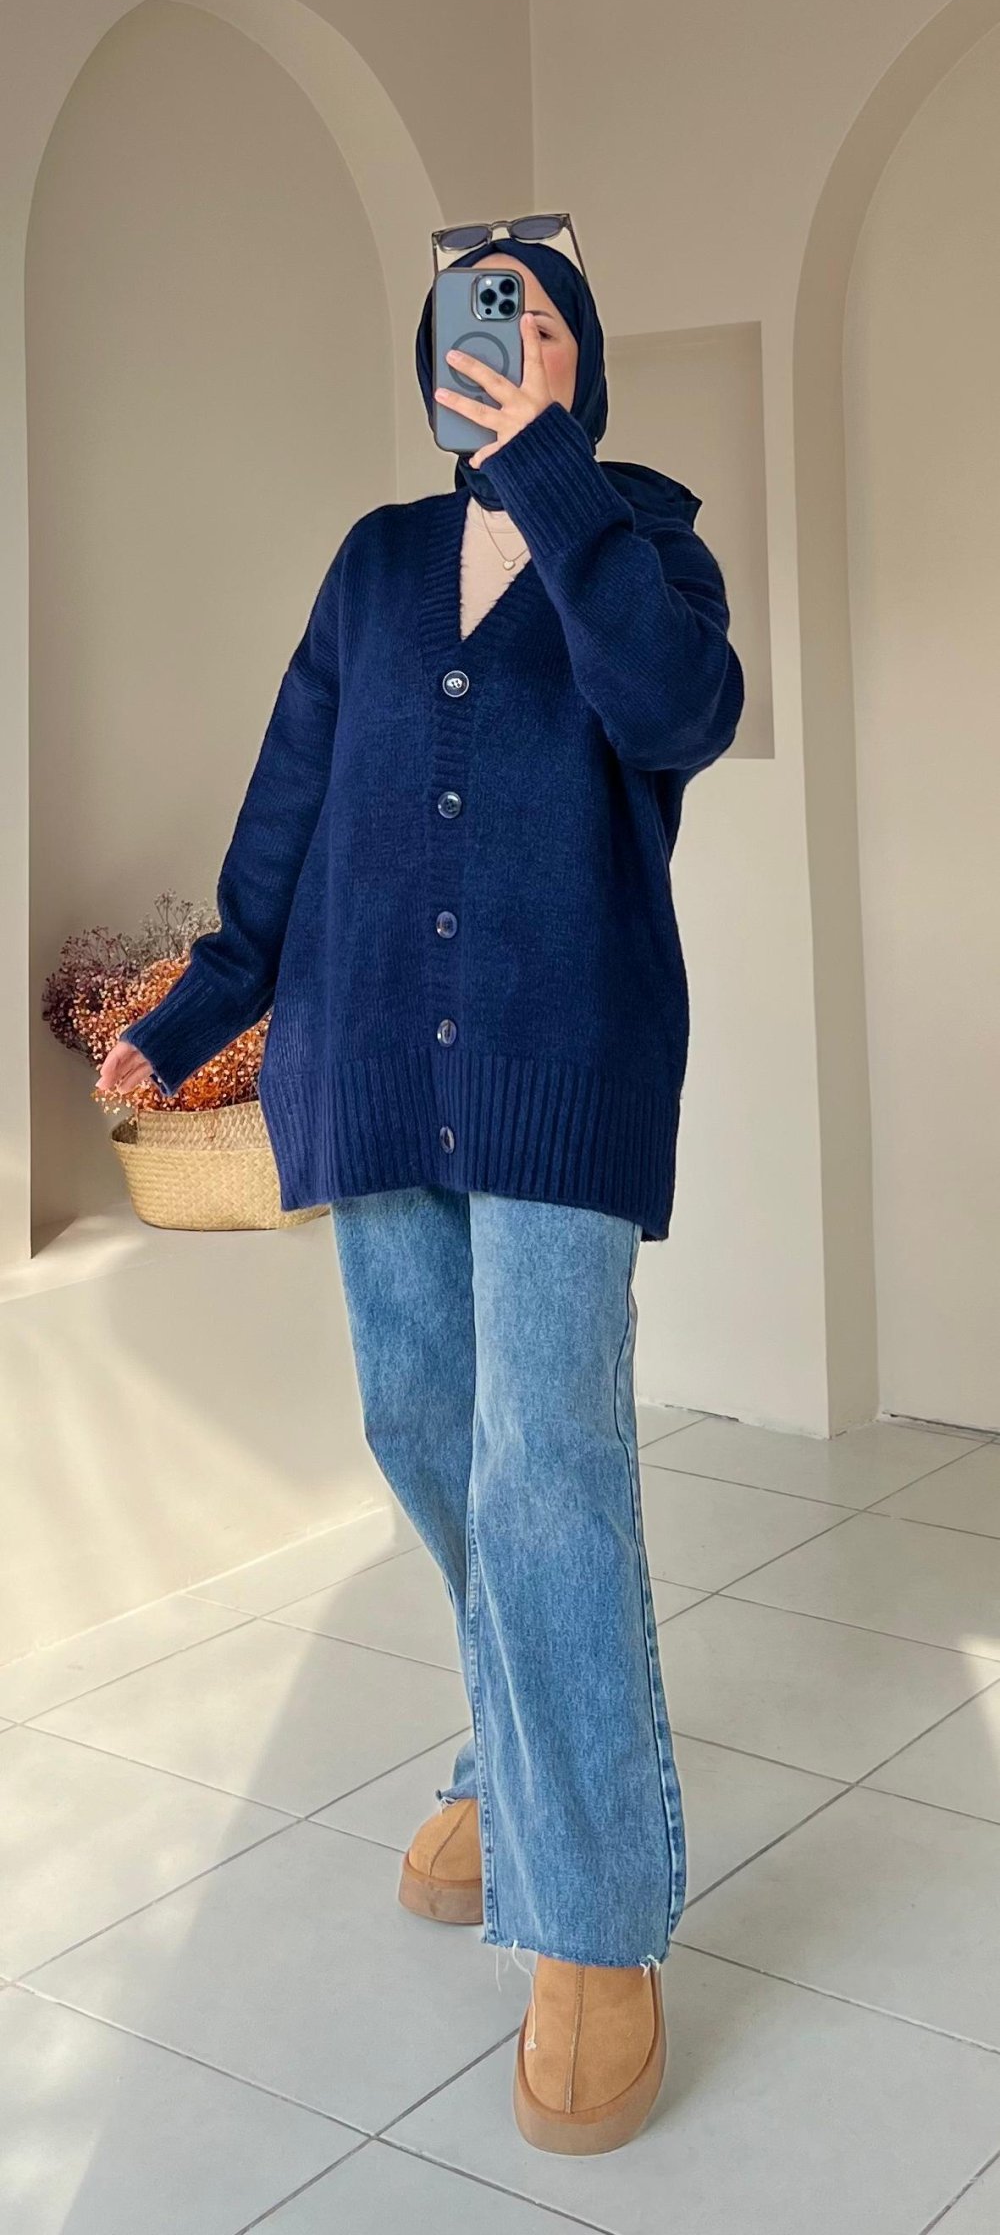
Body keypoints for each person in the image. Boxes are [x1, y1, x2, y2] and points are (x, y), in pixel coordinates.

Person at [100, 227, 744, 2155]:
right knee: (429, 1441)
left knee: (549, 1466)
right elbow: (290, 799)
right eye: (477, 317)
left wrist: (549, 471)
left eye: (537, 318)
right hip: (369, 1061)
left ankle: (594, 1918)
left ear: (582, 359)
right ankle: (513, 1757)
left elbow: (679, 715)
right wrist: (204, 1001)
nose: (502, 337)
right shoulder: (377, 563)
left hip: (560, 1073)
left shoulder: (642, 542)